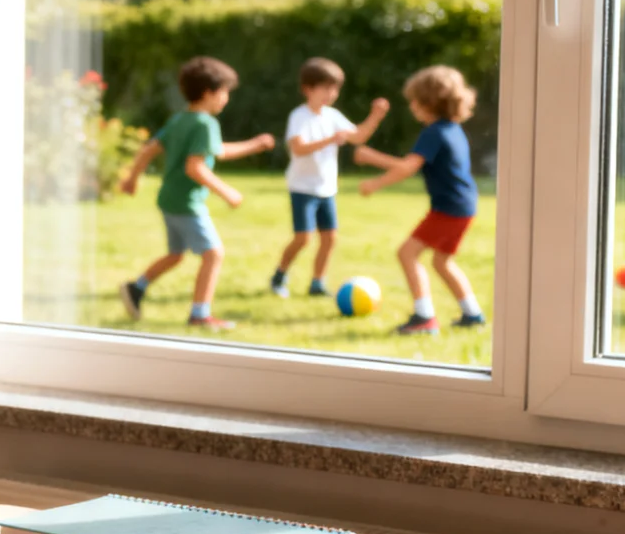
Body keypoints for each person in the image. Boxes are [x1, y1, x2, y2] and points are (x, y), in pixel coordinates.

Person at [118, 56, 276, 330]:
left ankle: (136, 288)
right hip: (187, 203)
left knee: (176, 254)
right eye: (225, 91)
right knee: (213, 254)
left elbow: (152, 149)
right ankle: (200, 314)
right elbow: (195, 167)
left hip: (168, 199)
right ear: (208, 93)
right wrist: (226, 191)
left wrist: (254, 145)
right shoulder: (205, 124)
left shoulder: (181, 119)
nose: (227, 98)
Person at [354, 65, 484, 335]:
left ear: (428, 102)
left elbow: (407, 168)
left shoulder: (434, 133)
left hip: (449, 208)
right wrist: (375, 160)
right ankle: (473, 313)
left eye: (414, 99)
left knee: (407, 253)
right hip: (463, 205)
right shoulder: (453, 129)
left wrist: (373, 176)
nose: (411, 105)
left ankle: (424, 318)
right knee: (441, 261)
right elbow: (413, 165)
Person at [270, 57, 390, 299]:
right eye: (325, 88)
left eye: (335, 88)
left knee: (329, 238)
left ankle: (317, 283)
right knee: (303, 238)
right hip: (302, 187)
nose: (331, 93)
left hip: (326, 188)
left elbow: (358, 136)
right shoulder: (299, 116)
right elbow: (298, 148)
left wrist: (375, 116)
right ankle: (279, 276)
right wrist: (330, 139)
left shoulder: (332, 116)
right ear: (308, 89)